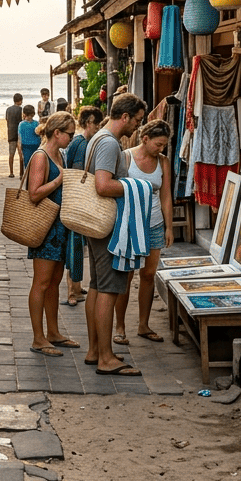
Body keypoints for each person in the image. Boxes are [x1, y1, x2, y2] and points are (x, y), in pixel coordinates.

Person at [82, 93, 147, 376]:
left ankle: (96, 350)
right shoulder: (109, 142)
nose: (137, 127)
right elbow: (103, 185)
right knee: (108, 289)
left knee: (97, 286)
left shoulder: (98, 138)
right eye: (137, 120)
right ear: (125, 117)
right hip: (108, 225)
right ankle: (106, 358)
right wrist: (137, 187)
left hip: (97, 224)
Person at [24, 111, 81, 356]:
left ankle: (53, 332)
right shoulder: (41, 156)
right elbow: (34, 193)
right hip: (45, 227)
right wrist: (60, 181)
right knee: (42, 282)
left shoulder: (59, 155)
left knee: (55, 281)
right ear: (57, 133)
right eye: (69, 134)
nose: (72, 138)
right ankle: (38, 337)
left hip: (59, 227)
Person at [113, 119, 173, 345]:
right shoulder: (126, 157)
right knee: (126, 275)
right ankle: (120, 327)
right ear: (145, 139)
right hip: (129, 224)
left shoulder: (164, 162)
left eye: (164, 145)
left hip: (155, 223)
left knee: (148, 275)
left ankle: (143, 325)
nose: (161, 149)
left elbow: (166, 196)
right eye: (158, 144)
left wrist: (169, 227)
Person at [62, 106, 103, 307]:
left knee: (77, 246)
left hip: (74, 200)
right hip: (77, 201)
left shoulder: (81, 142)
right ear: (88, 123)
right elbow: (79, 175)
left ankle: (76, 287)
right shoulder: (81, 144)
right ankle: (72, 291)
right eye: (96, 123)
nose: (98, 127)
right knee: (75, 247)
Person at [5, 93, 24, 178]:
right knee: (21, 155)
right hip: (19, 134)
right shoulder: (21, 110)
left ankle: (11, 172)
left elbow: (7, 119)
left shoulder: (8, 109)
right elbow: (23, 121)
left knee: (11, 154)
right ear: (20, 101)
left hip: (11, 133)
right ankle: (21, 173)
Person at [18, 105, 40, 171]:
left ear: (24, 114)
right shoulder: (36, 123)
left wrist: (19, 149)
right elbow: (39, 134)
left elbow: (19, 138)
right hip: (36, 145)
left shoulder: (21, 124)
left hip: (25, 146)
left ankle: (28, 179)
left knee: (27, 165)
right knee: (36, 164)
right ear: (33, 114)